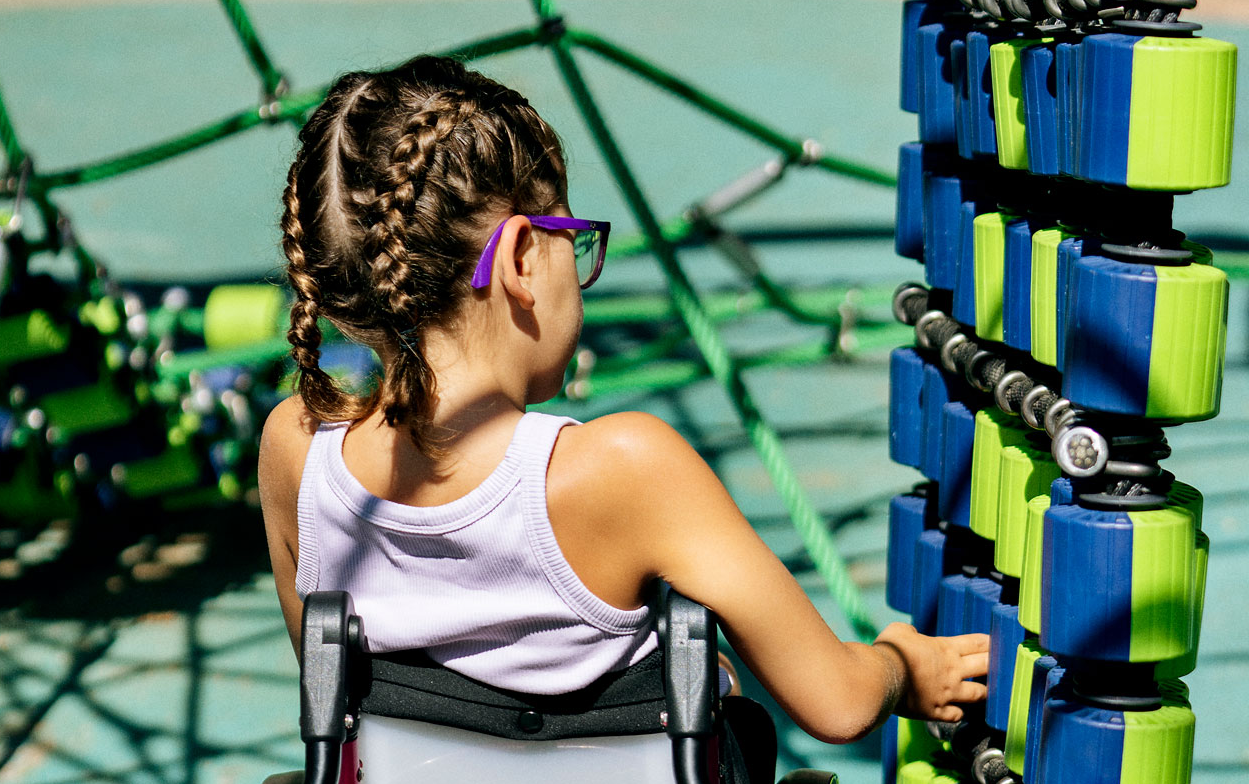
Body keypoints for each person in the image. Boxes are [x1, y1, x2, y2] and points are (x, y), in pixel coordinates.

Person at [259, 53, 988, 741]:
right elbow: (840, 703)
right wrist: (901, 666)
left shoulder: (295, 450)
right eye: (571, 238)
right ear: (518, 258)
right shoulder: (625, 468)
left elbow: (331, 695)